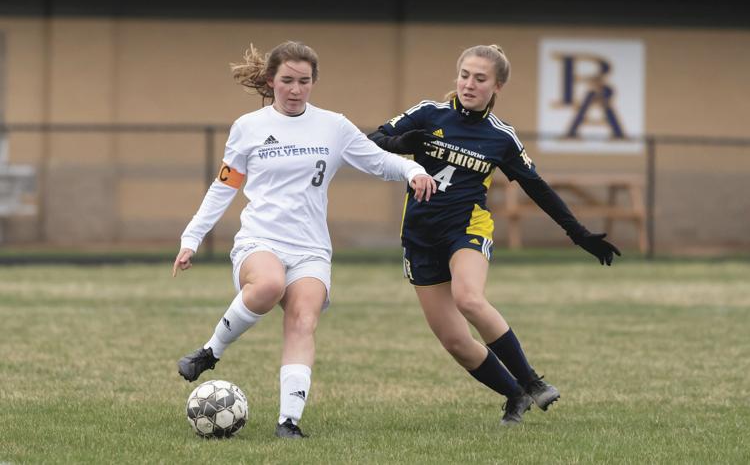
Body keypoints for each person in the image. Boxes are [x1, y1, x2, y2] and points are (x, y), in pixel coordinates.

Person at [173, 41, 436, 439]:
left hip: (311, 248)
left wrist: (410, 169)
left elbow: (376, 159)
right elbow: (224, 186)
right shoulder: (249, 127)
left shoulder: (332, 125)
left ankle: (288, 422)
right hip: (260, 239)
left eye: (304, 81)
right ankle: (211, 351)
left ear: (314, 82)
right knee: (269, 284)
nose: (295, 90)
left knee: (303, 322)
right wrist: (191, 237)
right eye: (287, 81)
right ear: (270, 81)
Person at [368, 44, 620, 426]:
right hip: (419, 237)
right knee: (455, 342)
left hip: (466, 228)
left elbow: (537, 187)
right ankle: (514, 395)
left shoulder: (499, 137)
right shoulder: (427, 113)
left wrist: (578, 233)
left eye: (480, 78)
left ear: (497, 85)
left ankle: (532, 381)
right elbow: (370, 143)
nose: (469, 84)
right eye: (464, 75)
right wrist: (399, 145)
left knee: (468, 298)